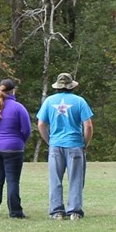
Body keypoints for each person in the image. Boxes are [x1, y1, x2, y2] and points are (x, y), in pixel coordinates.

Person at [36, 72, 93, 220]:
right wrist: (85, 144)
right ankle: (74, 211)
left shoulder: (49, 101)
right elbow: (88, 126)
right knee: (76, 179)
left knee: (55, 180)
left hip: (55, 145)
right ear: (71, 86)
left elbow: (41, 124)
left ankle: (56, 212)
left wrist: (49, 141)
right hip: (75, 144)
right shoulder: (80, 101)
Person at [0, 79, 31, 218]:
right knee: (12, 180)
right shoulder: (18, 107)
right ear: (13, 90)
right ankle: (15, 211)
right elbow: (26, 129)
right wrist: (20, 141)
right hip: (13, 147)